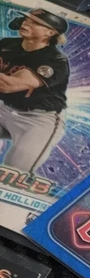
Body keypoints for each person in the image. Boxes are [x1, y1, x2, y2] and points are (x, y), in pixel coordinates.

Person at [0, 9, 69, 174]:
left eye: (35, 22)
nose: (26, 23)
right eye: (26, 19)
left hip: (37, 119)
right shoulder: (7, 44)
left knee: (14, 172)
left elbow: (7, 85)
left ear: (50, 32)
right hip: (3, 108)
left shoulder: (56, 60)